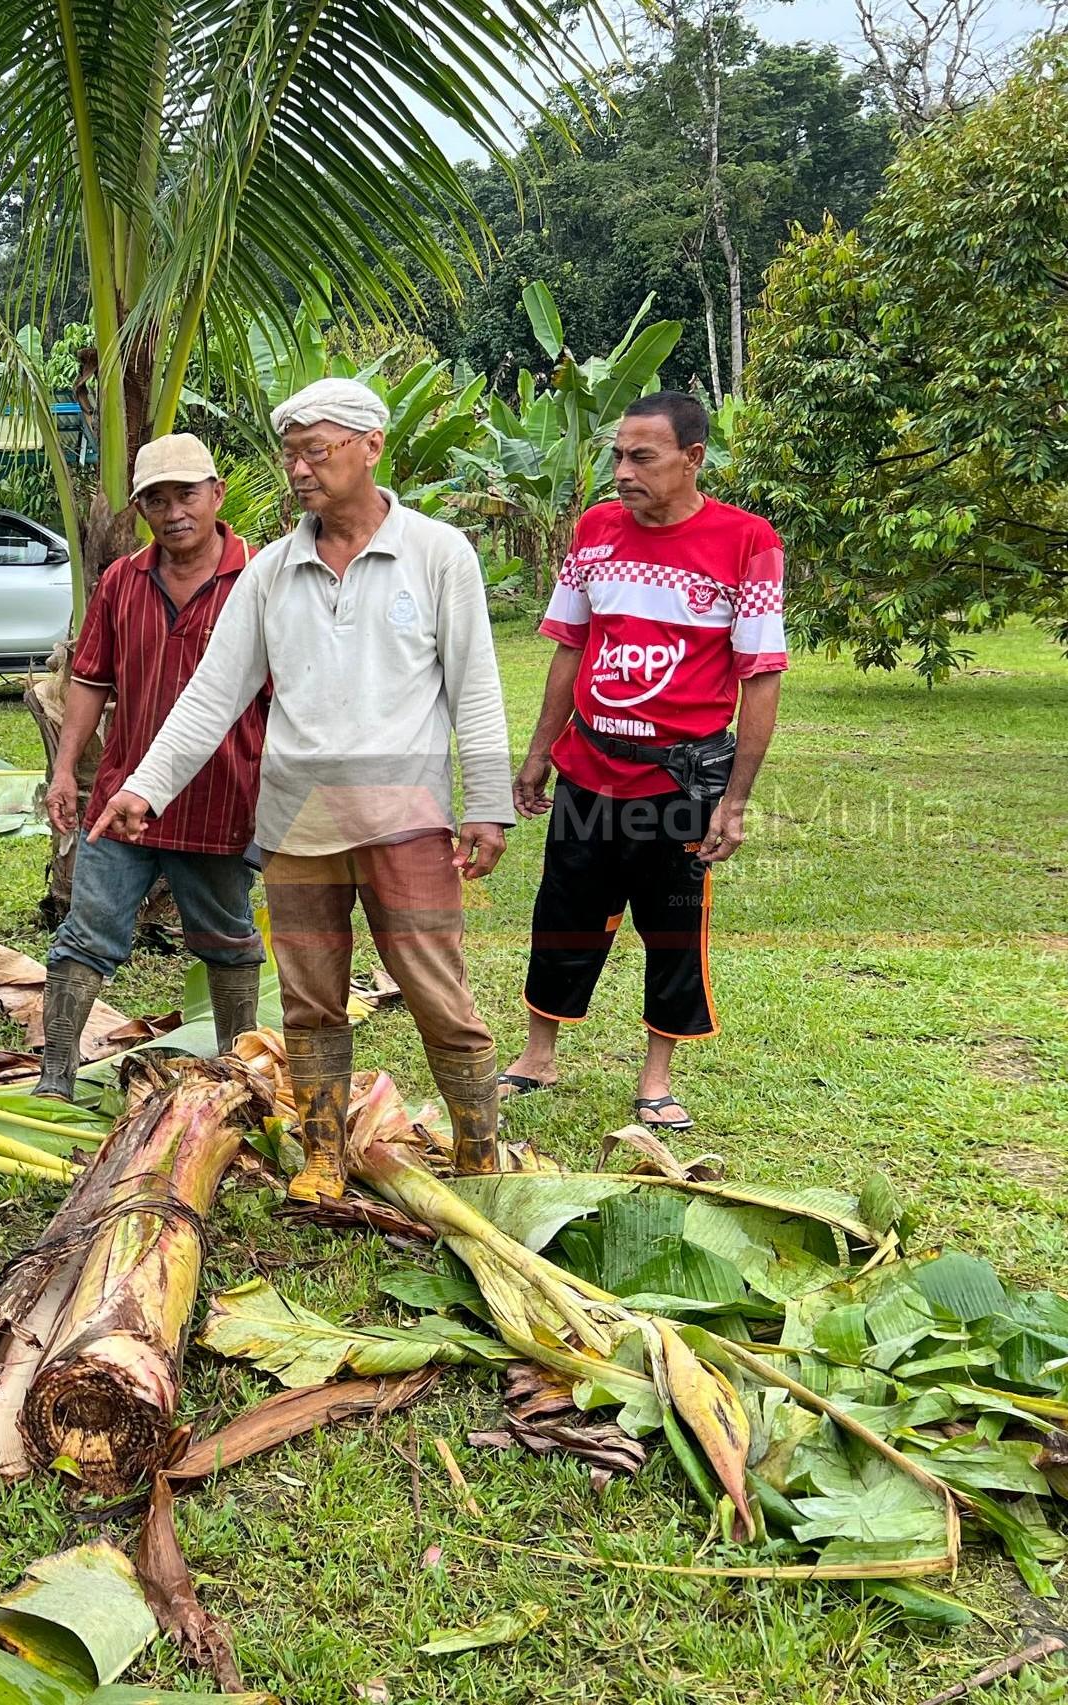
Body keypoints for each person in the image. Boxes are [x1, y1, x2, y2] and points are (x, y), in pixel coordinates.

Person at [90, 378, 514, 1197]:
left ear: (371, 447)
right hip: (296, 821)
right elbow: (214, 691)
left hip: (406, 816)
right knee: (311, 996)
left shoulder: (436, 553)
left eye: (314, 451)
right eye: (290, 453)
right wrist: (146, 786)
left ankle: (476, 1149)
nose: (297, 469)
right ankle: (323, 1153)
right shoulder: (273, 571)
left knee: (435, 989)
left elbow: (477, 687)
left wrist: (488, 803)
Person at [502, 392, 785, 1133]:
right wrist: (538, 753)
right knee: (562, 913)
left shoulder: (748, 542)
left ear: (693, 458)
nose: (621, 471)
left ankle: (656, 1077)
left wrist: (734, 798)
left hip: (681, 781)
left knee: (672, 926)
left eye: (641, 457)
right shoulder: (594, 530)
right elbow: (570, 646)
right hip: (587, 768)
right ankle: (538, 1054)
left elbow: (761, 674)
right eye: (617, 455)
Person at [34, 433, 267, 1100]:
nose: (174, 512)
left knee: (227, 941)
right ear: (140, 508)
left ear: (216, 494)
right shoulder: (121, 581)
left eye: (186, 494)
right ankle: (55, 1078)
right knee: (85, 936)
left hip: (220, 799)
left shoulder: (260, 580)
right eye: (156, 499)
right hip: (122, 800)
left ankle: (238, 1076)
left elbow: (292, 697)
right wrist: (64, 770)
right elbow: (90, 679)